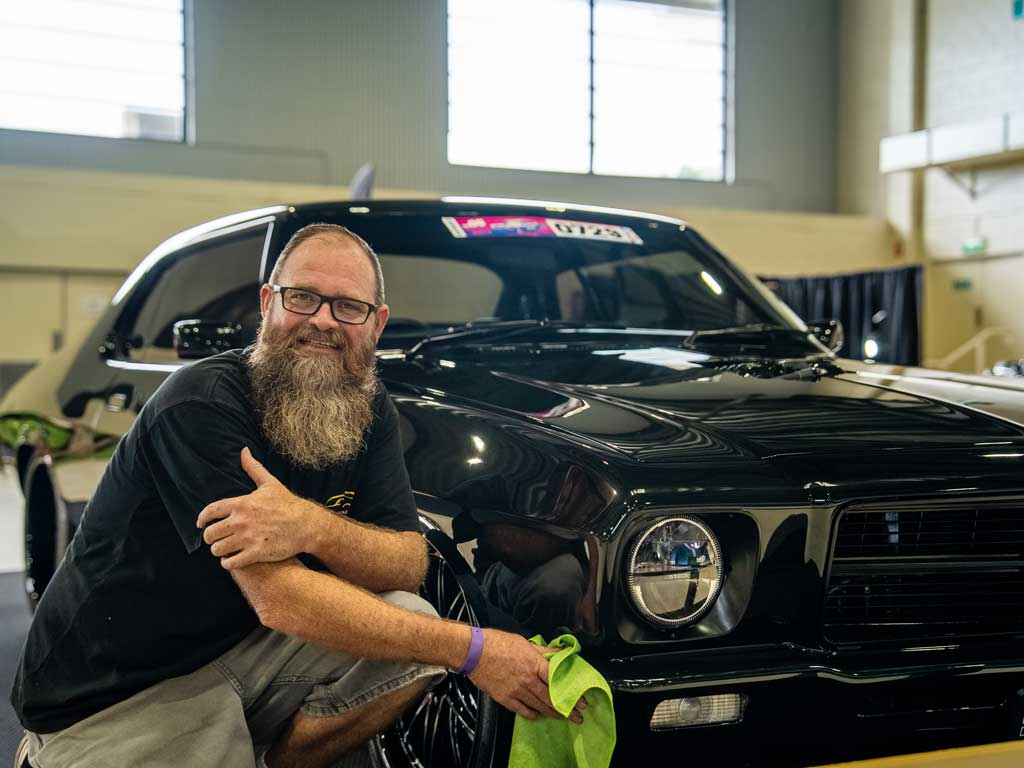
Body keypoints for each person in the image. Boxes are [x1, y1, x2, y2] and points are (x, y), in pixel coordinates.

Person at [11, 223, 584, 768]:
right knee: (425, 634)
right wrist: (476, 651)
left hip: (240, 651)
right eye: (303, 298)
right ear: (267, 304)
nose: (325, 322)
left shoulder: (368, 405)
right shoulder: (202, 403)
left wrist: (312, 528)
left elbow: (409, 565)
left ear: (377, 323)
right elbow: (279, 599)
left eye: (349, 306)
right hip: (118, 693)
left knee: (410, 617)